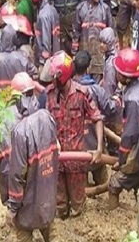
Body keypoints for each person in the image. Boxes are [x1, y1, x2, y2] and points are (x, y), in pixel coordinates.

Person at [42, 51, 104, 219]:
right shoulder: (49, 95)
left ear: (62, 77)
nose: (52, 80)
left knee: (78, 202)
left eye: (54, 77)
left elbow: (97, 118)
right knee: (59, 202)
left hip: (76, 159)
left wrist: (99, 148)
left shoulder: (82, 94)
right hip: (56, 158)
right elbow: (44, 122)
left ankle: (76, 222)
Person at [7, 73, 59, 242]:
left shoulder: (19, 132)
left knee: (23, 234)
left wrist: (12, 208)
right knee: (51, 232)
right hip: (48, 195)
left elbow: (17, 174)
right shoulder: (47, 117)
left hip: (28, 204)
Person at [108, 48, 139, 210]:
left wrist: (122, 160)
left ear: (125, 76)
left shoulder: (133, 100)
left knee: (114, 184)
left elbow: (130, 134)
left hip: (138, 152)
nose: (116, 74)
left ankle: (113, 214)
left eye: (118, 72)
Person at [73, 51, 119, 197]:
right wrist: (117, 99)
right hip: (96, 142)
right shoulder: (96, 90)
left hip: (77, 148)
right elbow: (110, 109)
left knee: (81, 185)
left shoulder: (70, 91)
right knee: (102, 176)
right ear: (88, 68)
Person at [72, 0, 113, 78]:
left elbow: (111, 30)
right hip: (85, 50)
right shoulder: (80, 8)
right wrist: (74, 51)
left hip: (99, 52)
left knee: (99, 77)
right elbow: (76, 31)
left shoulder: (105, 9)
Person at [30, 0, 60, 69]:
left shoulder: (43, 15)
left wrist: (43, 62)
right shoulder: (51, 8)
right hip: (55, 55)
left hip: (47, 61)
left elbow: (46, 40)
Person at [99, 27, 119, 97]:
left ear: (110, 43)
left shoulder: (111, 63)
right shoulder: (109, 56)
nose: (101, 45)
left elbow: (109, 87)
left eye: (104, 43)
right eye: (100, 42)